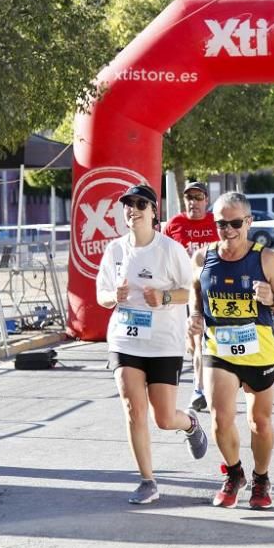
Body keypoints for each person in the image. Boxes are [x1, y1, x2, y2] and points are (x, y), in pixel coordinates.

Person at [96, 184, 208, 505]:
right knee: (133, 409)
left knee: (163, 418)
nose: (133, 210)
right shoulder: (115, 250)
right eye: (128, 205)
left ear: (153, 211)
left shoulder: (169, 249)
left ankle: (188, 423)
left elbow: (190, 291)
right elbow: (101, 294)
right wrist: (111, 297)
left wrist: (164, 297)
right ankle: (147, 481)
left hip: (163, 343)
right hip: (124, 338)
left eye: (140, 204)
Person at [188, 192, 274, 510]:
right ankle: (234, 474)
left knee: (259, 422)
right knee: (220, 419)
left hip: (258, 350)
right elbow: (197, 290)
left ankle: (261, 478)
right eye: (221, 223)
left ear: (248, 222)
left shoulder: (266, 259)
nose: (228, 229)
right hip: (218, 348)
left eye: (235, 223)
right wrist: (195, 315)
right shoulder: (202, 257)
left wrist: (272, 300)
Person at [162, 181, 219, 413]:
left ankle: (212, 382)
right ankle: (199, 388)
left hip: (214, 289)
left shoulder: (216, 222)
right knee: (197, 342)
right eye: (189, 198)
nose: (193, 202)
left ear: (206, 199)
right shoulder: (175, 224)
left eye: (197, 197)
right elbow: (161, 252)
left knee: (207, 341)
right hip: (185, 291)